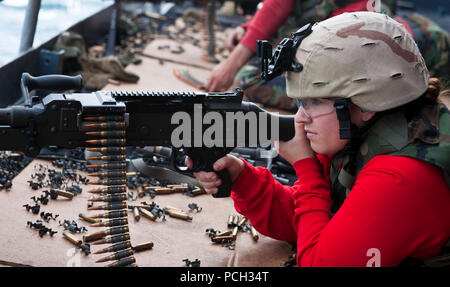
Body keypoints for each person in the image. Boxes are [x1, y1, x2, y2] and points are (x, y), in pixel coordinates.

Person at [187, 12, 450, 266]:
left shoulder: (399, 177)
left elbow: (319, 260)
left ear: (367, 103)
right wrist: (244, 179)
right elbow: (307, 221)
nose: (301, 117)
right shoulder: (361, 130)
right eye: (301, 102)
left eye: (316, 102)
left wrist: (307, 168)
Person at [206, 0, 450, 113]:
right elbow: (279, 7)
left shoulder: (362, 17)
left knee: (248, 81)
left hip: (427, 52)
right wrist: (250, 29)